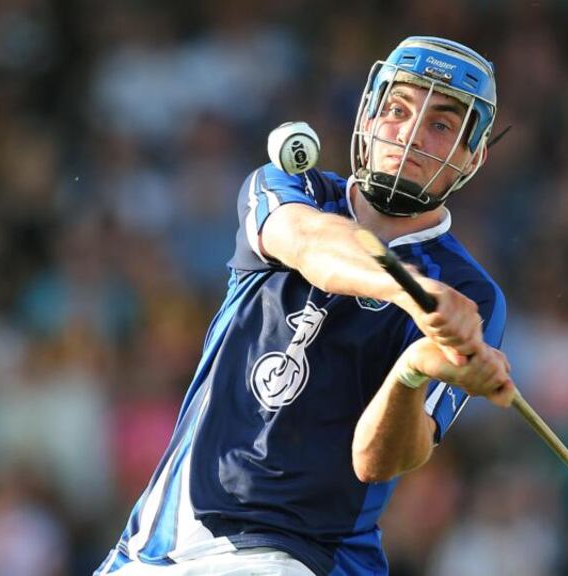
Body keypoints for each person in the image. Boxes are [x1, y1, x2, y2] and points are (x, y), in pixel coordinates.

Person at [95, 36, 515, 576]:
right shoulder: (289, 186)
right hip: (150, 549)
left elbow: (376, 460)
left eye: (440, 124)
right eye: (397, 109)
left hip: (297, 556)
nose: (409, 135)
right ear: (367, 112)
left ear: (471, 157)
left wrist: (414, 371)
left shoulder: (472, 294)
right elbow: (309, 243)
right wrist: (414, 293)